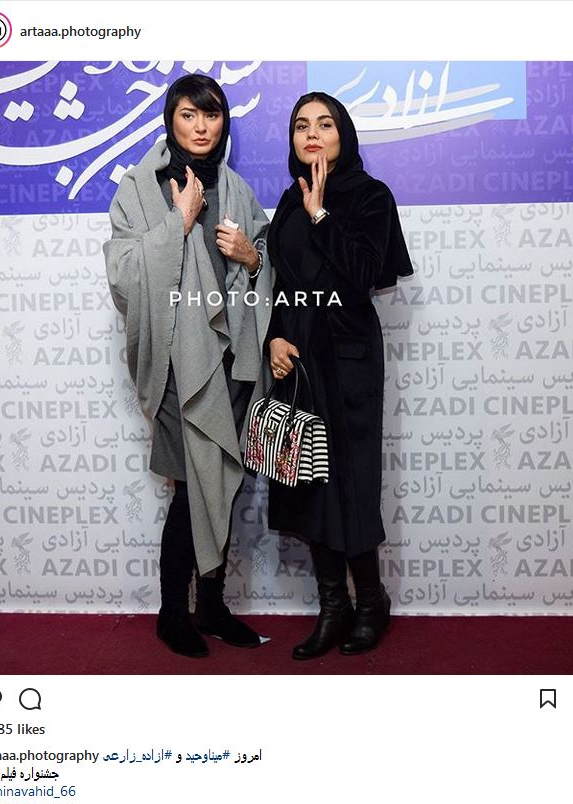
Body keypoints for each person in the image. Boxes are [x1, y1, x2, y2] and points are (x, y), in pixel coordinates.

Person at [104, 75, 273, 658]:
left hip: (232, 358)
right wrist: (177, 223)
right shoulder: (140, 188)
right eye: (188, 114)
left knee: (223, 480)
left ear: (224, 122)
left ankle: (213, 606)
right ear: (170, 120)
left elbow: (266, 264)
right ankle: (173, 612)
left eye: (212, 114)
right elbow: (125, 276)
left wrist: (252, 258)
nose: (201, 126)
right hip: (179, 362)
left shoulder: (236, 188)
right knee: (189, 486)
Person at [266, 92, 413, 660]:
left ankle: (371, 602)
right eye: (301, 125)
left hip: (348, 357)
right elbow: (283, 283)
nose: (312, 134)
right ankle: (333, 607)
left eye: (325, 124)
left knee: (350, 480)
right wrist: (275, 336)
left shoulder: (372, 196)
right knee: (307, 480)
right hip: (298, 358)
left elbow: (364, 274)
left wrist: (321, 214)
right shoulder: (288, 198)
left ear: (343, 136)